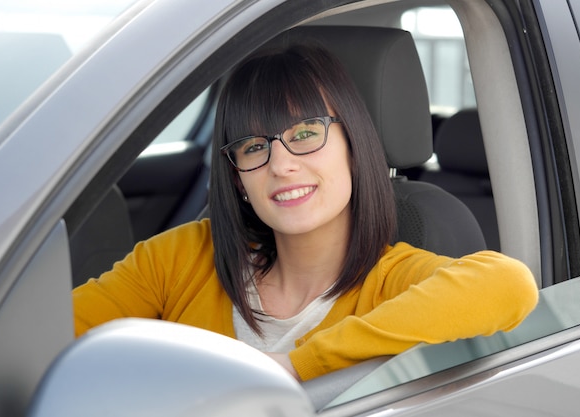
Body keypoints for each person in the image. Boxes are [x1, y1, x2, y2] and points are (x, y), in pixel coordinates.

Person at [72, 43, 539, 382]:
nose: (280, 165)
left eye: (304, 134)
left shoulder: (391, 280)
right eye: (255, 147)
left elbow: (508, 285)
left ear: (353, 147)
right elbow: (42, 338)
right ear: (238, 178)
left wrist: (294, 365)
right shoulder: (181, 257)